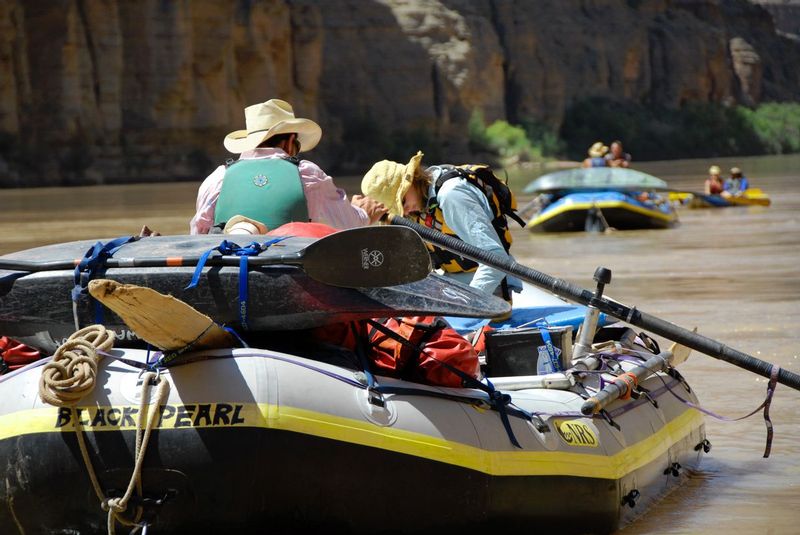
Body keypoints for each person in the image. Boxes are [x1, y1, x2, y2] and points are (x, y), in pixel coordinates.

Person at [190, 99, 386, 234]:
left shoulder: (218, 178)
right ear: (290, 140)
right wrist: (364, 213)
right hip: (288, 271)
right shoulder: (307, 174)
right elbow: (348, 224)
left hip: (230, 269)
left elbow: (198, 233)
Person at [361, 152, 523, 302]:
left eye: (402, 201)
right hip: (452, 285)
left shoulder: (452, 196)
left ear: (413, 179)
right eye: (396, 209)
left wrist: (469, 305)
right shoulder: (417, 205)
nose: (404, 211)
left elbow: (496, 259)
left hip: (490, 292)